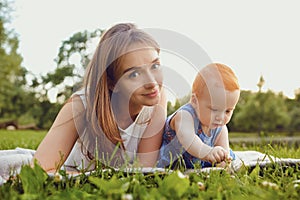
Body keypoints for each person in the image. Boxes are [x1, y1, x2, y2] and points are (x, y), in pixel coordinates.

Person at [33, 23, 167, 172]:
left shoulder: (158, 98)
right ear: (112, 83)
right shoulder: (80, 105)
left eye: (155, 66)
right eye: (134, 74)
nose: (152, 82)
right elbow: (38, 170)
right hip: (72, 169)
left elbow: (143, 169)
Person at [158, 63, 240, 169]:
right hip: (174, 162)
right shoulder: (185, 116)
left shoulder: (221, 129)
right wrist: (208, 152)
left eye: (228, 111)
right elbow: (188, 140)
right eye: (214, 109)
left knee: (231, 157)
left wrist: (223, 161)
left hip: (199, 163)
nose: (220, 117)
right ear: (195, 101)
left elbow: (224, 152)